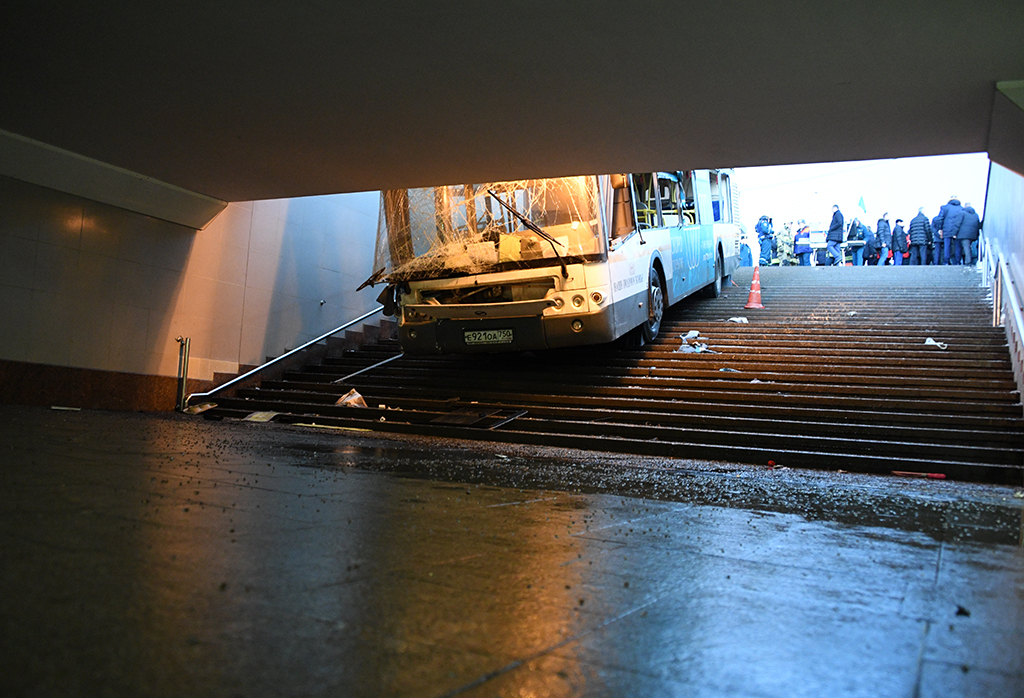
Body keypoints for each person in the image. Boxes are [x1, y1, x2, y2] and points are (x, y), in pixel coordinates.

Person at [935, 195, 964, 265]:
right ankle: (958, 262)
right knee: (957, 246)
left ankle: (946, 262)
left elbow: (940, 219)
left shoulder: (945, 207)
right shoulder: (962, 209)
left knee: (947, 246)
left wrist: (940, 228)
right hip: (957, 230)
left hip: (946, 229)